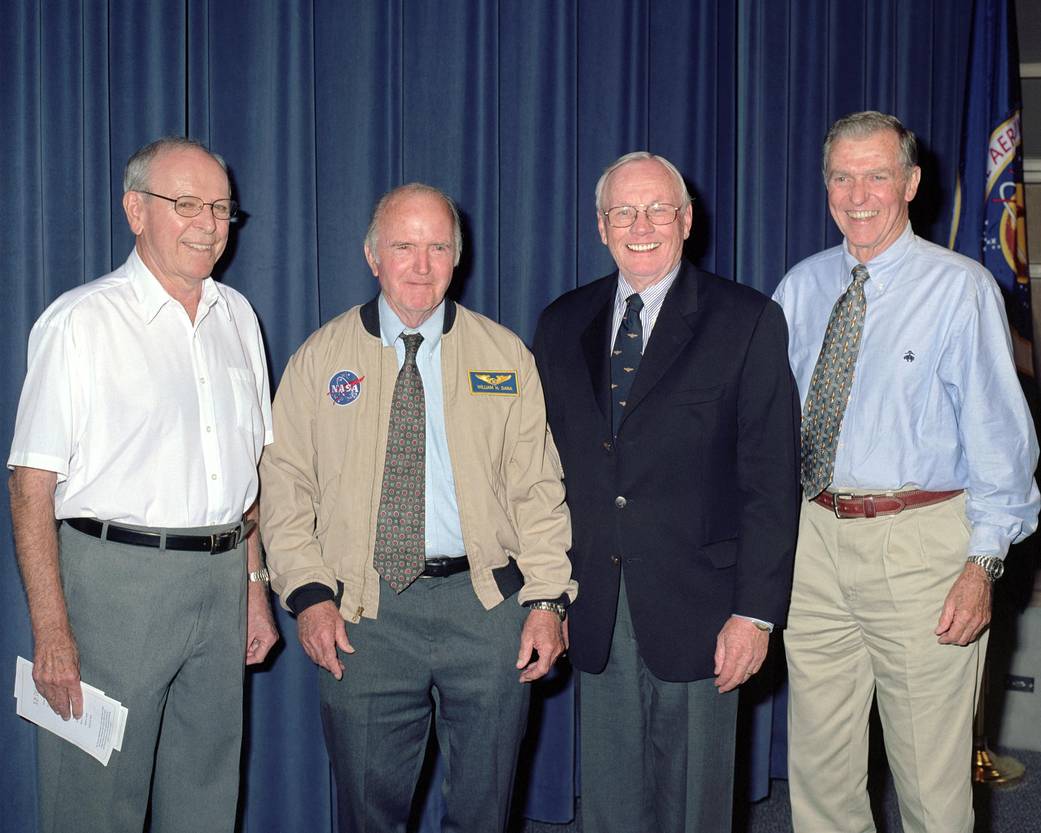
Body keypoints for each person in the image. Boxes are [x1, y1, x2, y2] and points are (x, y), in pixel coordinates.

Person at [258, 182, 576, 833]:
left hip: (485, 609)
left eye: (437, 248)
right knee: (368, 808)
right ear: (373, 255)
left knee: (484, 808)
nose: (421, 265)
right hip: (363, 611)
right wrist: (308, 594)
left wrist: (547, 600)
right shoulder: (321, 358)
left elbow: (538, 490)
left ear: (456, 258)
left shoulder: (503, 356)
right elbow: (284, 488)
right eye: (404, 247)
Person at [773, 110, 1040, 833]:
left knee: (930, 781)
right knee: (820, 773)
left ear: (911, 183)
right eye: (841, 176)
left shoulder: (959, 290)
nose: (857, 193)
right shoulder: (798, 289)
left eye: (877, 175)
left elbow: (1000, 443)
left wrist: (981, 566)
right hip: (813, 542)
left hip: (921, 546)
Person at [8, 136, 279, 833]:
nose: (208, 223)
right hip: (114, 589)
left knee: (206, 794)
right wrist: (52, 631)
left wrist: (254, 588)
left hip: (220, 580)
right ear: (135, 210)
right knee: (92, 803)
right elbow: (31, 484)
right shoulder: (81, 322)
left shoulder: (238, 318)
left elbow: (246, 475)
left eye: (221, 207)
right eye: (185, 203)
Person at [533, 151, 800, 833]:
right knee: (611, 803)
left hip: (705, 607)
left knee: (695, 808)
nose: (640, 224)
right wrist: (543, 590)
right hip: (594, 599)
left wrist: (755, 614)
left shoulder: (746, 319)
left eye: (657, 209)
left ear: (686, 220)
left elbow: (772, 483)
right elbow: (540, 470)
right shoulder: (561, 323)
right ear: (600, 226)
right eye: (623, 211)